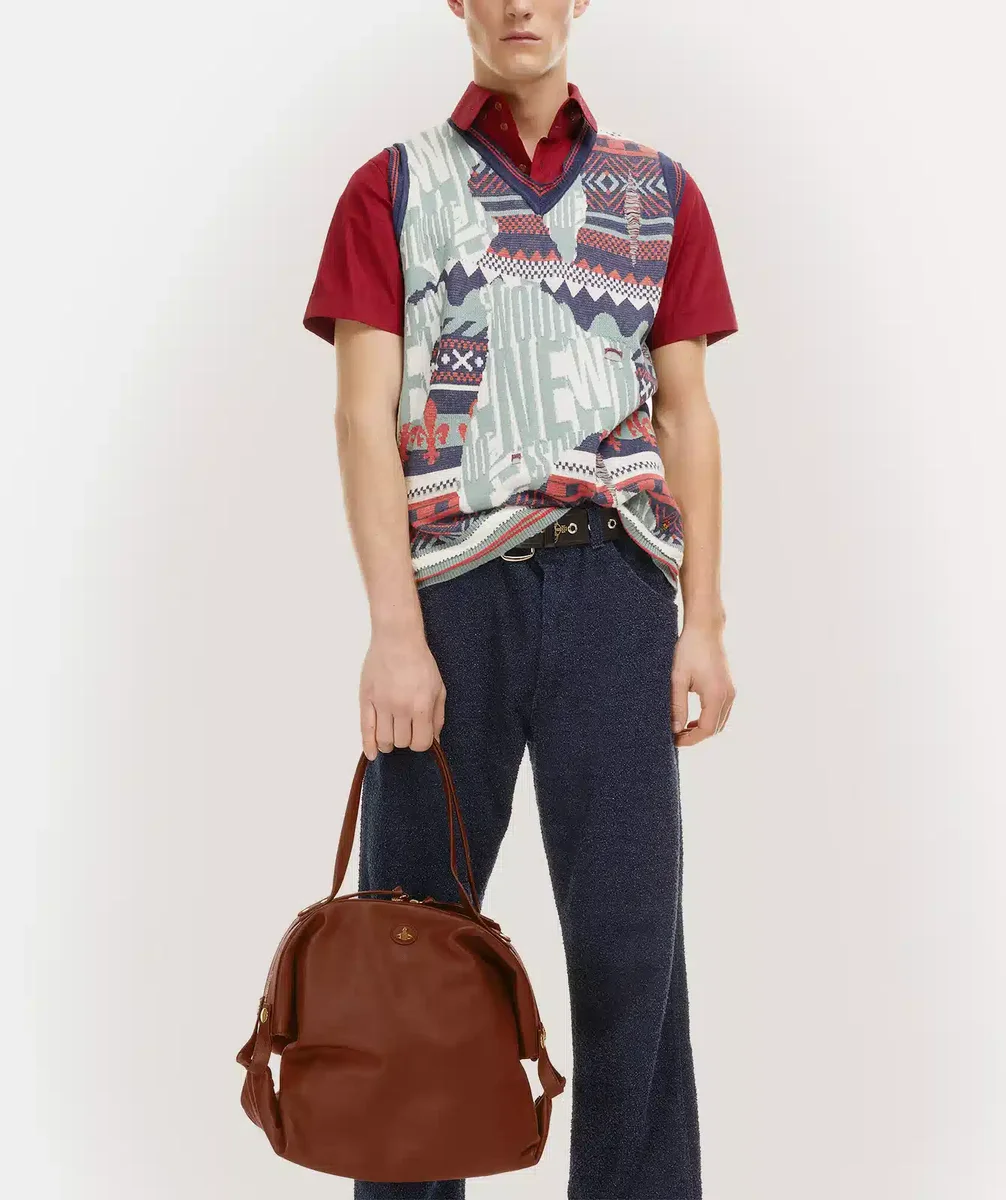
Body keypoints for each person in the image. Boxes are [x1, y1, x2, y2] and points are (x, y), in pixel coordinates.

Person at [302, 2, 738, 1196]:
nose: (518, 6)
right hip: (448, 602)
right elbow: (359, 417)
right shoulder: (388, 189)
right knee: (414, 946)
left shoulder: (659, 193)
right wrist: (393, 632)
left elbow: (687, 413)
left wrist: (702, 620)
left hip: (615, 589)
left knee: (630, 949)